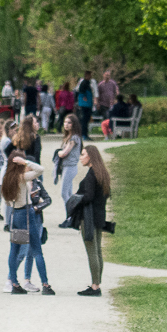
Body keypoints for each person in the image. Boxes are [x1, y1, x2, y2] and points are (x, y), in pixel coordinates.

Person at [1, 151, 55, 295]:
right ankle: (45, 284)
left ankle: (14, 283)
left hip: (15, 214)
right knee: (37, 250)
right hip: (27, 213)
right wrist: (25, 162)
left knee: (14, 251)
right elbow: (40, 170)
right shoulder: (22, 177)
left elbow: (7, 201)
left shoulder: (7, 179)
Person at [72, 145, 111, 296]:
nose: (80, 157)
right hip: (99, 215)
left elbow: (88, 196)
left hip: (89, 217)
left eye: (83, 154)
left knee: (92, 251)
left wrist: (76, 199)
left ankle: (95, 286)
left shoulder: (91, 175)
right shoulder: (102, 173)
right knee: (98, 250)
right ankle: (97, 283)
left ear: (90, 156)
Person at [57, 113, 82, 224]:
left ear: (74, 124)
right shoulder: (69, 137)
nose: (66, 124)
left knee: (64, 193)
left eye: (69, 123)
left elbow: (65, 153)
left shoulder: (74, 138)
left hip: (70, 167)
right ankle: (73, 217)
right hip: (66, 167)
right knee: (69, 193)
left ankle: (70, 217)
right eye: (65, 122)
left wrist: (59, 153)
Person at [75, 70, 96, 139]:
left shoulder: (88, 83)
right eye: (89, 75)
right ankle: (83, 134)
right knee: (84, 120)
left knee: (86, 120)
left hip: (88, 104)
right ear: (86, 75)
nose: (91, 76)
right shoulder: (84, 83)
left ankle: (85, 134)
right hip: (85, 105)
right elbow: (81, 92)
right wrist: (84, 98)